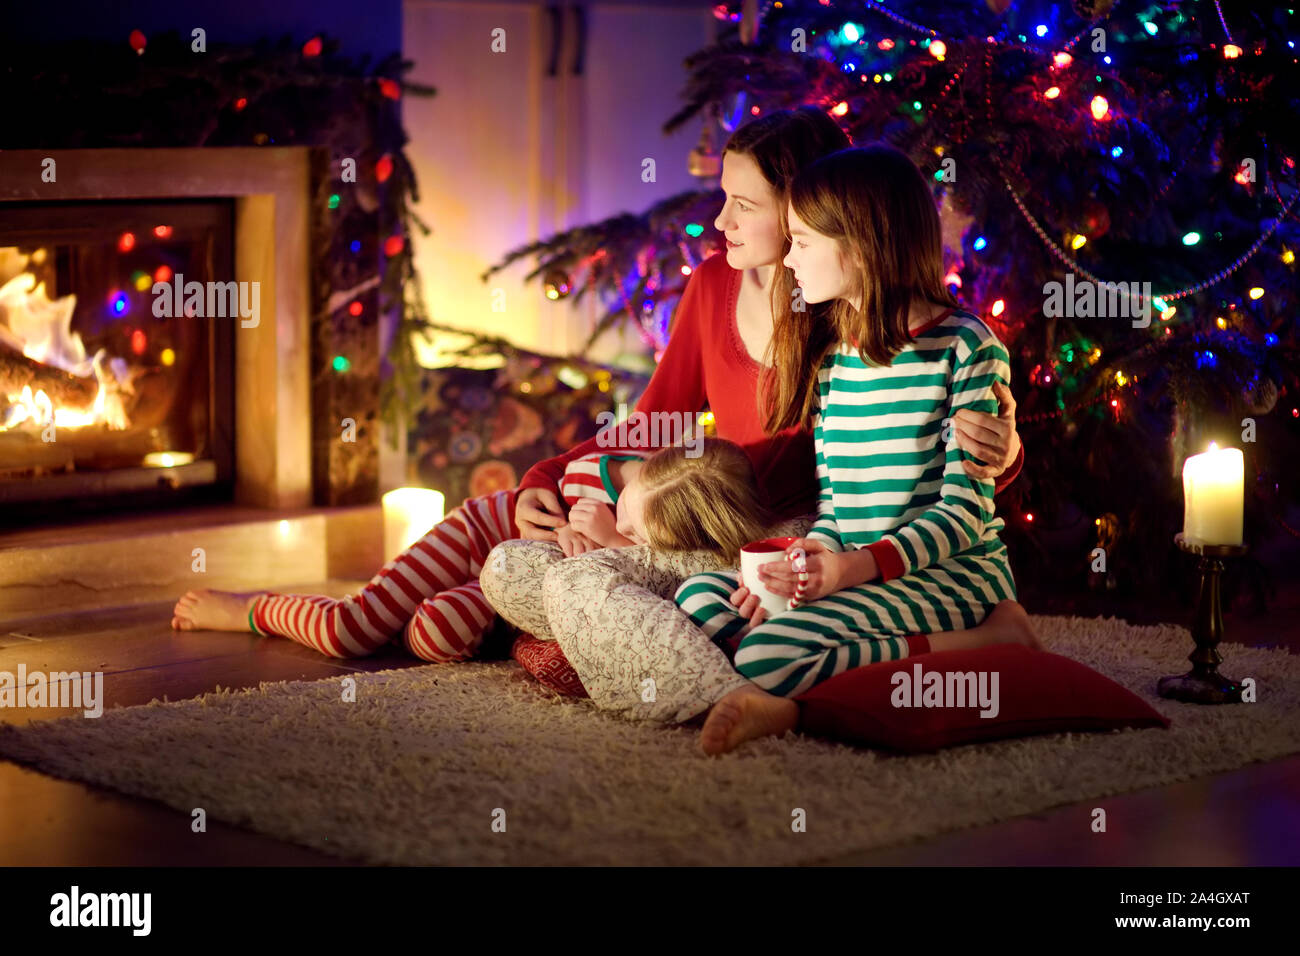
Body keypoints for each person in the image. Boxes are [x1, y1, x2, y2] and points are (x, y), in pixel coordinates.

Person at [478, 108, 1026, 749]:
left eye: (743, 203)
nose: (721, 222)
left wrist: (1003, 448)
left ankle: (724, 687)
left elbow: (955, 480)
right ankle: (622, 637)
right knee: (514, 567)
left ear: (819, 215)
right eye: (723, 199)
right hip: (748, 534)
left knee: (594, 587)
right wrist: (545, 476)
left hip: (827, 541)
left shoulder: (850, 314)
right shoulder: (754, 302)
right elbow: (661, 420)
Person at [674, 145, 1042, 751]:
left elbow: (964, 515)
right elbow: (839, 509)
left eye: (802, 243)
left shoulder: (966, 347)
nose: (788, 260)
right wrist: (809, 560)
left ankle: (993, 641)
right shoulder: (834, 362)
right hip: (860, 570)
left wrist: (852, 570)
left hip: (951, 574)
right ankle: (793, 680)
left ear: (861, 245)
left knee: (768, 650)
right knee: (700, 598)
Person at [169, 439, 768, 660]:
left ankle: (403, 626)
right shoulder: (600, 472)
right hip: (481, 535)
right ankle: (254, 609)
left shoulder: (666, 541)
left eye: (639, 538)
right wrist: (585, 530)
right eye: (627, 510)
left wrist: (614, 545)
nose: (623, 530)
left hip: (505, 594)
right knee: (351, 633)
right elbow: (544, 489)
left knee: (436, 634)